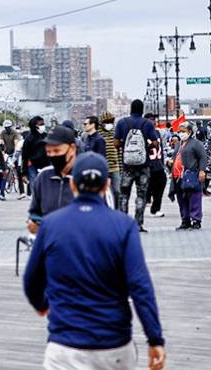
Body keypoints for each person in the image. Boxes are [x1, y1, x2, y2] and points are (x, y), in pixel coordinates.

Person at [23, 153, 166, 370]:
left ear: (73, 185)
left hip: (65, 344)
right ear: (106, 185)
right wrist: (155, 339)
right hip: (113, 345)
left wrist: (42, 304)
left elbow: (31, 280)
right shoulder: (124, 226)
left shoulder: (52, 224)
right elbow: (140, 287)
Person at [114, 99, 159, 232]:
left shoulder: (122, 122)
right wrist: (146, 146)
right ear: (142, 110)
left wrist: (126, 146)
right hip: (143, 166)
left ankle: (123, 224)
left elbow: (116, 143)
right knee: (141, 195)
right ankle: (138, 224)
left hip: (127, 166)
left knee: (124, 195)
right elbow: (156, 143)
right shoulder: (147, 124)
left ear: (131, 109)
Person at [26, 125, 77, 235]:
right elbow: (35, 211)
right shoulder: (43, 177)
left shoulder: (87, 177)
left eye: (57, 151)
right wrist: (33, 223)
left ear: (72, 149)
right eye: (49, 152)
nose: (53, 156)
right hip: (49, 243)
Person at [174, 121, 208, 230]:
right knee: (182, 199)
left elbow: (203, 157)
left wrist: (202, 171)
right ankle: (185, 220)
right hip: (179, 176)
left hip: (192, 175)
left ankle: (196, 220)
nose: (181, 133)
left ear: (189, 131)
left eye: (183, 131)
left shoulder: (196, 143)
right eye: (179, 131)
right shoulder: (179, 144)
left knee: (194, 198)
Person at [144, 114, 168, 219]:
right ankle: (146, 199)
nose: (153, 121)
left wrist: (162, 163)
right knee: (148, 186)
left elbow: (161, 150)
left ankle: (155, 209)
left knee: (162, 183)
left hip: (158, 164)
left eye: (154, 119)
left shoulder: (157, 132)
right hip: (148, 165)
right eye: (150, 119)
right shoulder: (142, 133)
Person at [99, 111, 122, 208]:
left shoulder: (116, 133)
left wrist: (121, 168)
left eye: (111, 122)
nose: (109, 124)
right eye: (107, 121)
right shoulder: (98, 134)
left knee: (117, 191)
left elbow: (119, 152)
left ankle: (117, 209)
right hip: (103, 168)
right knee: (103, 192)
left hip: (115, 168)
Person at [20, 116, 47, 197]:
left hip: (46, 165)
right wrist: (24, 173)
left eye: (43, 124)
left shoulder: (47, 136)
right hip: (32, 165)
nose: (43, 126)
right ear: (35, 126)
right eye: (41, 124)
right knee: (35, 186)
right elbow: (24, 156)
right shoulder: (29, 139)